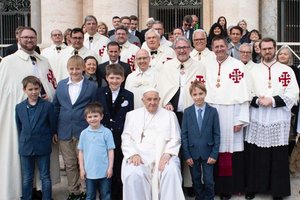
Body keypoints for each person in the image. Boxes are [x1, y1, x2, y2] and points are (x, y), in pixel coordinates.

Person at [0, 27, 57, 200]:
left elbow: (51, 84)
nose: (29, 40)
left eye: (32, 37)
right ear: (18, 38)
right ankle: (22, 192)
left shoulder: (44, 60)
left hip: (42, 118)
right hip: (20, 117)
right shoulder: (8, 62)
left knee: (43, 166)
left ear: (36, 38)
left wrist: (49, 94)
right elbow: (6, 91)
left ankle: (40, 190)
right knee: (22, 162)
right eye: (25, 37)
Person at [244, 38, 299, 200]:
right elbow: (246, 92)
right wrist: (257, 100)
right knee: (255, 154)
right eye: (264, 48)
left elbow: (293, 93)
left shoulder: (286, 71)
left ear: (275, 49)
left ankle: (278, 191)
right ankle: (252, 188)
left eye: (270, 48)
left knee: (277, 155)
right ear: (259, 50)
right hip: (258, 117)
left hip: (278, 118)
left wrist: (273, 100)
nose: (267, 51)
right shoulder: (252, 70)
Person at [201, 36, 251, 200]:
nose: (220, 49)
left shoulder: (237, 66)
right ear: (212, 48)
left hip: (232, 113)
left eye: (222, 46)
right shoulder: (207, 65)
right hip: (212, 111)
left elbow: (244, 95)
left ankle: (227, 189)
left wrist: (240, 119)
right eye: (216, 46)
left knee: (228, 151)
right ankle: (212, 185)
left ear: (227, 47)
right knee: (212, 148)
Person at [121, 88, 185, 200]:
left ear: (159, 100)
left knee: (171, 171)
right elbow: (126, 138)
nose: (152, 102)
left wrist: (167, 154)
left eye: (155, 99)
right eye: (149, 99)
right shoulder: (132, 115)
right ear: (143, 100)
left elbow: (176, 138)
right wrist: (133, 154)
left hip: (163, 152)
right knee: (133, 173)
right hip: (139, 154)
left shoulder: (170, 115)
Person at [53, 55, 98, 200]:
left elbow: (94, 108)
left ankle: (86, 190)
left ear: (83, 68)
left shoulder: (91, 86)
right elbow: (56, 107)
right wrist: (54, 130)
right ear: (67, 69)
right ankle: (74, 191)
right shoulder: (61, 85)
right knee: (70, 163)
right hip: (64, 130)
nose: (74, 71)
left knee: (84, 162)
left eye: (77, 68)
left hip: (84, 130)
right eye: (71, 69)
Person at [96, 63, 134, 200]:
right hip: (103, 136)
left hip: (120, 137)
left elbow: (130, 116)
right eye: (111, 78)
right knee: (105, 167)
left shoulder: (129, 95)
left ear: (123, 79)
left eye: (118, 78)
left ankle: (118, 195)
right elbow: (96, 112)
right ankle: (105, 195)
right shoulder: (99, 93)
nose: (114, 81)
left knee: (118, 166)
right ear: (106, 78)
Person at [15, 76, 56, 200]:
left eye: (36, 89)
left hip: (42, 145)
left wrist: (48, 136)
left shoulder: (47, 106)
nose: (33, 92)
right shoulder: (19, 107)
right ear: (24, 90)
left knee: (45, 176)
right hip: (26, 146)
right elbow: (19, 126)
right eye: (30, 89)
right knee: (27, 177)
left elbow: (52, 124)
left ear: (40, 89)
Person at [181, 80, 220, 200]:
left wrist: (214, 154)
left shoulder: (212, 111)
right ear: (191, 95)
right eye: (195, 94)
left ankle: (209, 198)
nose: (198, 97)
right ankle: (199, 197)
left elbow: (217, 134)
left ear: (205, 93)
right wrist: (187, 155)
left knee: (209, 181)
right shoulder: (187, 112)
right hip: (193, 154)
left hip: (208, 153)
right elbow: (184, 135)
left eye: (201, 93)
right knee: (196, 180)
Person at [78, 102, 115, 200]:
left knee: (106, 195)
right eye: (90, 117)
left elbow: (110, 151)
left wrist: (110, 168)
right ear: (86, 118)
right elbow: (81, 152)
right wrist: (82, 169)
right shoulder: (84, 134)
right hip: (89, 172)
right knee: (90, 196)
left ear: (101, 116)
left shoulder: (107, 132)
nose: (93, 119)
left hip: (104, 172)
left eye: (95, 116)